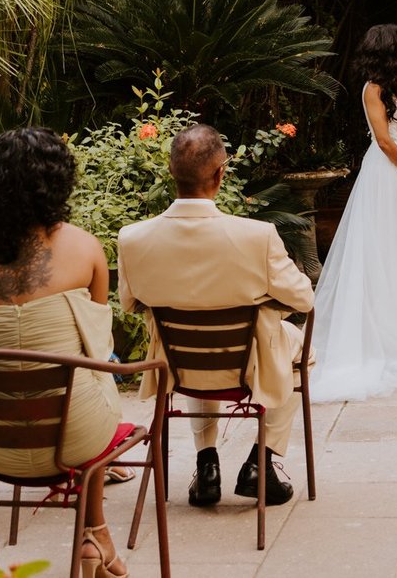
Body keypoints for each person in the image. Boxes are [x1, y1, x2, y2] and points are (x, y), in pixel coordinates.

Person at [0, 129, 128, 578]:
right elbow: (101, 347)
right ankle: (95, 534)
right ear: (57, 182)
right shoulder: (85, 248)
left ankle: (86, 537)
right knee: (94, 381)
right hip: (79, 434)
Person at [117, 124, 314, 510]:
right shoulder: (257, 236)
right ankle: (262, 462)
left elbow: (129, 303)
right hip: (246, 365)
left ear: (171, 172)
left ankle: (207, 465)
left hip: (177, 367)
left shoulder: (133, 238)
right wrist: (268, 304)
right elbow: (304, 298)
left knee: (194, 343)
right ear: (220, 174)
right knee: (302, 350)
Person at [310, 23, 397, 401]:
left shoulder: (390, 90)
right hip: (387, 174)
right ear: (386, 53)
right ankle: (381, 340)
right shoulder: (372, 89)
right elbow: (385, 142)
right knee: (381, 253)